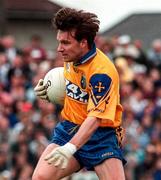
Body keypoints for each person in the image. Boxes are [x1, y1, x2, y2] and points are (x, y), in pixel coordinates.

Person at [32, 7, 126, 180]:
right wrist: (50, 92)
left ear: (83, 42)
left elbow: (95, 118)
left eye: (65, 43)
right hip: (69, 128)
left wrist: (70, 148)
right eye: (59, 41)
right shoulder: (71, 57)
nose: (60, 48)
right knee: (40, 178)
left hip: (101, 135)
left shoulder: (101, 73)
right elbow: (78, 92)